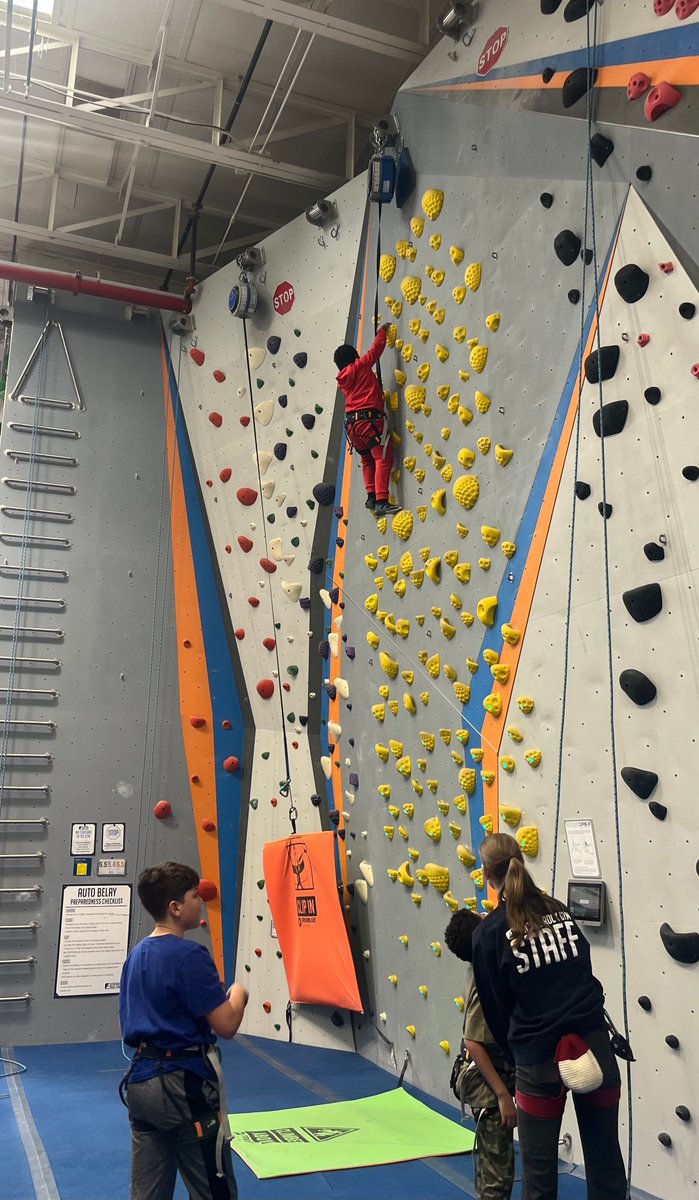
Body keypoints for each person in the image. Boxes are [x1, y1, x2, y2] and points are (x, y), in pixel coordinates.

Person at [472, 833, 627, 1200]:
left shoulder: (488, 934)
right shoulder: (559, 909)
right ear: (521, 861)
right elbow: (583, 971)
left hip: (538, 1056)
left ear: (485, 873)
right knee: (606, 1164)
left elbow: (496, 1009)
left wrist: (518, 1055)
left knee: (539, 1178)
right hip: (593, 1045)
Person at [119, 862, 248, 1200]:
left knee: (148, 1191)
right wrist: (239, 994)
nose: (200, 903)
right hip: (184, 1084)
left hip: (141, 1081)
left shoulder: (136, 955)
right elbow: (226, 1024)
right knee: (212, 1186)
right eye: (194, 896)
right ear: (175, 908)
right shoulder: (190, 954)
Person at [445, 907, 516, 1200]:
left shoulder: (482, 964)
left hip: (491, 1077)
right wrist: (502, 1096)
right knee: (497, 1176)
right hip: (489, 1086)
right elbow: (473, 1042)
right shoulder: (480, 979)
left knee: (491, 1168)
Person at [334, 322, 401, 517]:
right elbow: (376, 351)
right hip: (368, 420)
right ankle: (381, 500)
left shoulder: (342, 381)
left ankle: (371, 495)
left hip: (352, 426)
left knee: (366, 459)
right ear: (353, 356)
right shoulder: (360, 366)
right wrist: (382, 332)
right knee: (382, 456)